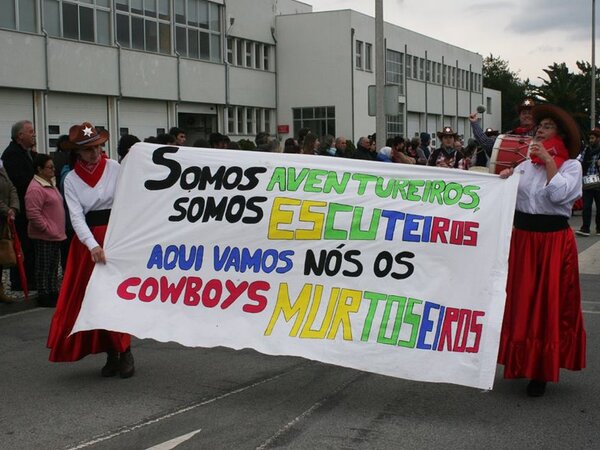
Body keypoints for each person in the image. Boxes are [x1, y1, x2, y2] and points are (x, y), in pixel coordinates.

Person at [498, 104, 586, 397]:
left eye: (547, 126)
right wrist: (505, 178)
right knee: (522, 301)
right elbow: (509, 197)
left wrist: (549, 160)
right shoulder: (525, 164)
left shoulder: (571, 166)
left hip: (552, 242)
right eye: (539, 126)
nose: (539, 130)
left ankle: (541, 371)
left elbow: (559, 196)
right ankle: (520, 360)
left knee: (548, 305)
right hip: (524, 239)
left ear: (560, 134)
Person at [47, 122, 134, 378]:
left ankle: (125, 350)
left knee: (117, 297)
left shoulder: (115, 168)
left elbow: (129, 200)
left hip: (115, 237)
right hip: (88, 244)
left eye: (97, 147)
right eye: (88, 149)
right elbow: (75, 216)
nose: (94, 153)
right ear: (77, 152)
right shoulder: (71, 179)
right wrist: (92, 244)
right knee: (92, 298)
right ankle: (110, 351)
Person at [25, 154, 66, 308]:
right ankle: (44, 294)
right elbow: (33, 214)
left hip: (55, 234)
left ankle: (53, 291)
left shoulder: (50, 184)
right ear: (39, 169)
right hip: (45, 235)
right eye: (49, 167)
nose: (53, 170)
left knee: (53, 266)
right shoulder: (35, 188)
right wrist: (47, 228)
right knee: (43, 266)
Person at [1, 120, 37, 291]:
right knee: (21, 245)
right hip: (19, 210)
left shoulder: (27, 153)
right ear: (20, 135)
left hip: (26, 207)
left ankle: (29, 278)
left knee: (29, 245)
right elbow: (18, 183)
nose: (34, 134)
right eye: (30, 131)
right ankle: (20, 281)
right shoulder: (12, 155)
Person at [469, 98, 536, 156]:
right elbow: (487, 144)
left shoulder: (539, 134)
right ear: (520, 116)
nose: (527, 115)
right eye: (524, 113)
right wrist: (475, 123)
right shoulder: (511, 134)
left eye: (530, 113)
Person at [0, 163, 19, 303]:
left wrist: (13, 207)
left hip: (3, 220)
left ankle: (0, 291)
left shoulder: (1, 167)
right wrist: (7, 210)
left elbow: (12, 187)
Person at [575, 127, 600, 236]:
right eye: (590, 138)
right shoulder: (587, 149)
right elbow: (580, 162)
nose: (591, 140)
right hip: (587, 182)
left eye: (593, 138)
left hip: (599, 183)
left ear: (598, 138)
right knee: (586, 206)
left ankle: (599, 228)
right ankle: (585, 228)